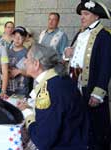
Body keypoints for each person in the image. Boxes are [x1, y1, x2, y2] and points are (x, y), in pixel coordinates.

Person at [17, 43, 87, 150]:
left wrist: (27, 112)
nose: (24, 61)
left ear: (36, 64)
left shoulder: (49, 89)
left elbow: (42, 140)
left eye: (27, 58)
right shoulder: (60, 78)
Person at [64, 0, 111, 149]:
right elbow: (73, 54)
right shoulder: (81, 32)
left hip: (90, 87)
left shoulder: (104, 36)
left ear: (96, 16)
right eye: (81, 14)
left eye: (86, 14)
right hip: (75, 83)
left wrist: (98, 92)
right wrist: (67, 54)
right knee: (79, 120)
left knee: (95, 125)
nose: (82, 17)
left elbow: (106, 65)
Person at [7, 26, 31, 97]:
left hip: (22, 90)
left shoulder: (28, 53)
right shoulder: (7, 52)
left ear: (25, 38)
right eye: (15, 36)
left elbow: (32, 73)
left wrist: (19, 71)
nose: (17, 39)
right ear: (12, 37)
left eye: (20, 37)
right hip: (8, 89)